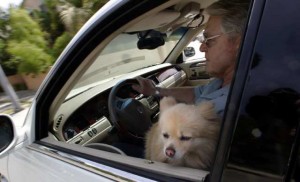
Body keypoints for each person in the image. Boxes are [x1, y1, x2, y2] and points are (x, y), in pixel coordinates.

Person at [132, 0, 250, 116]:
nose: (201, 48)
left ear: (239, 45)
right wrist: (156, 91)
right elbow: (195, 94)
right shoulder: (223, 81)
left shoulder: (222, 110)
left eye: (209, 40)